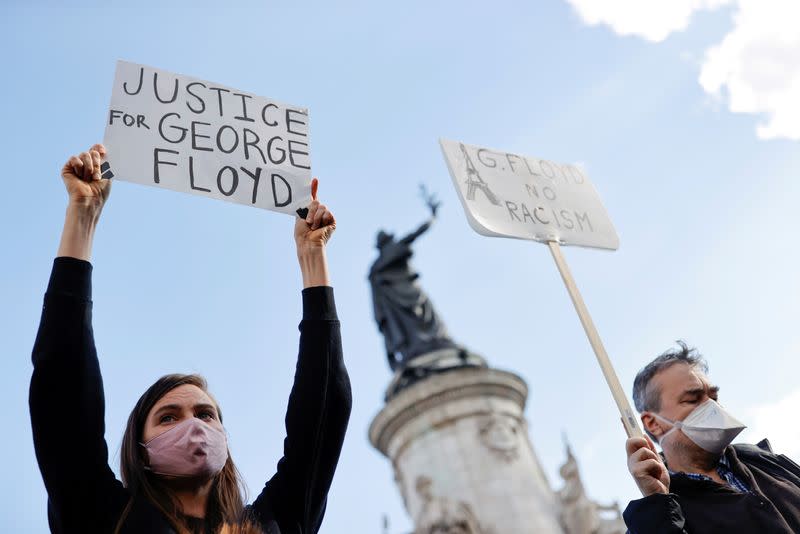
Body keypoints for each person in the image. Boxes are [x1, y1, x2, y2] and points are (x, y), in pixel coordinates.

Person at [29, 144, 352, 534]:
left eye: (205, 414)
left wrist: (312, 256)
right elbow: (63, 382)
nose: (194, 426)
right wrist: (83, 215)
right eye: (168, 418)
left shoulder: (273, 520)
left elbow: (323, 409)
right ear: (141, 449)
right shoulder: (105, 516)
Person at [623, 341, 800, 533]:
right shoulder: (655, 518)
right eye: (692, 399)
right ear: (653, 423)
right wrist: (658, 504)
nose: (712, 408)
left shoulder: (766, 461)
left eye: (713, 398)